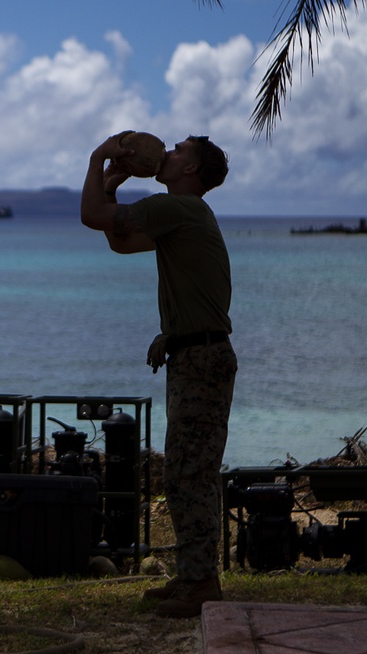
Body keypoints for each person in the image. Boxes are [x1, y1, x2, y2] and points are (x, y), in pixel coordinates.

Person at [80, 133, 237, 618]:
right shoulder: (180, 217)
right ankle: (193, 576)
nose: (166, 153)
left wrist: (97, 158)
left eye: (178, 151)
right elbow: (121, 243)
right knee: (186, 471)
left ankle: (201, 583)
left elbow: (91, 219)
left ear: (190, 171)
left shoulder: (180, 209)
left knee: (191, 473)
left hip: (202, 361)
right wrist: (110, 188)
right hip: (194, 356)